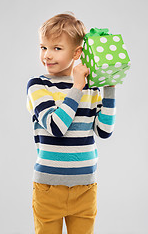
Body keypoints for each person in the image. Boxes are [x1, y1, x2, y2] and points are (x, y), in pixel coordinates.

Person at [26, 12, 116, 234]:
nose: (47, 55)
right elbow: (56, 127)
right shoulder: (38, 86)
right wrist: (77, 87)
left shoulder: (90, 88)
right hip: (48, 189)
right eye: (43, 47)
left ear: (77, 52)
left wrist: (109, 87)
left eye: (57, 48)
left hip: (85, 188)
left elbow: (104, 131)